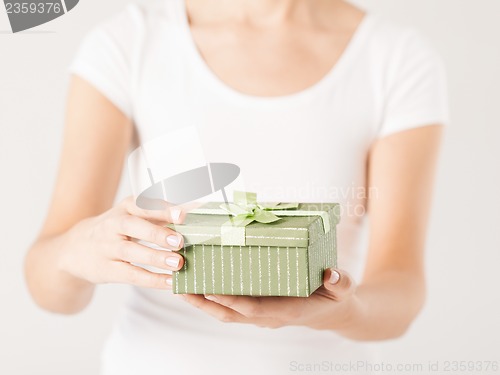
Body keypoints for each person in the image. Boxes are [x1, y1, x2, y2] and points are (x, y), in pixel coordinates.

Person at [25, 0, 449, 373]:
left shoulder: (395, 59)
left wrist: (337, 311)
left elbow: (400, 291)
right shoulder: (129, 42)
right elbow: (51, 290)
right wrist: (78, 250)